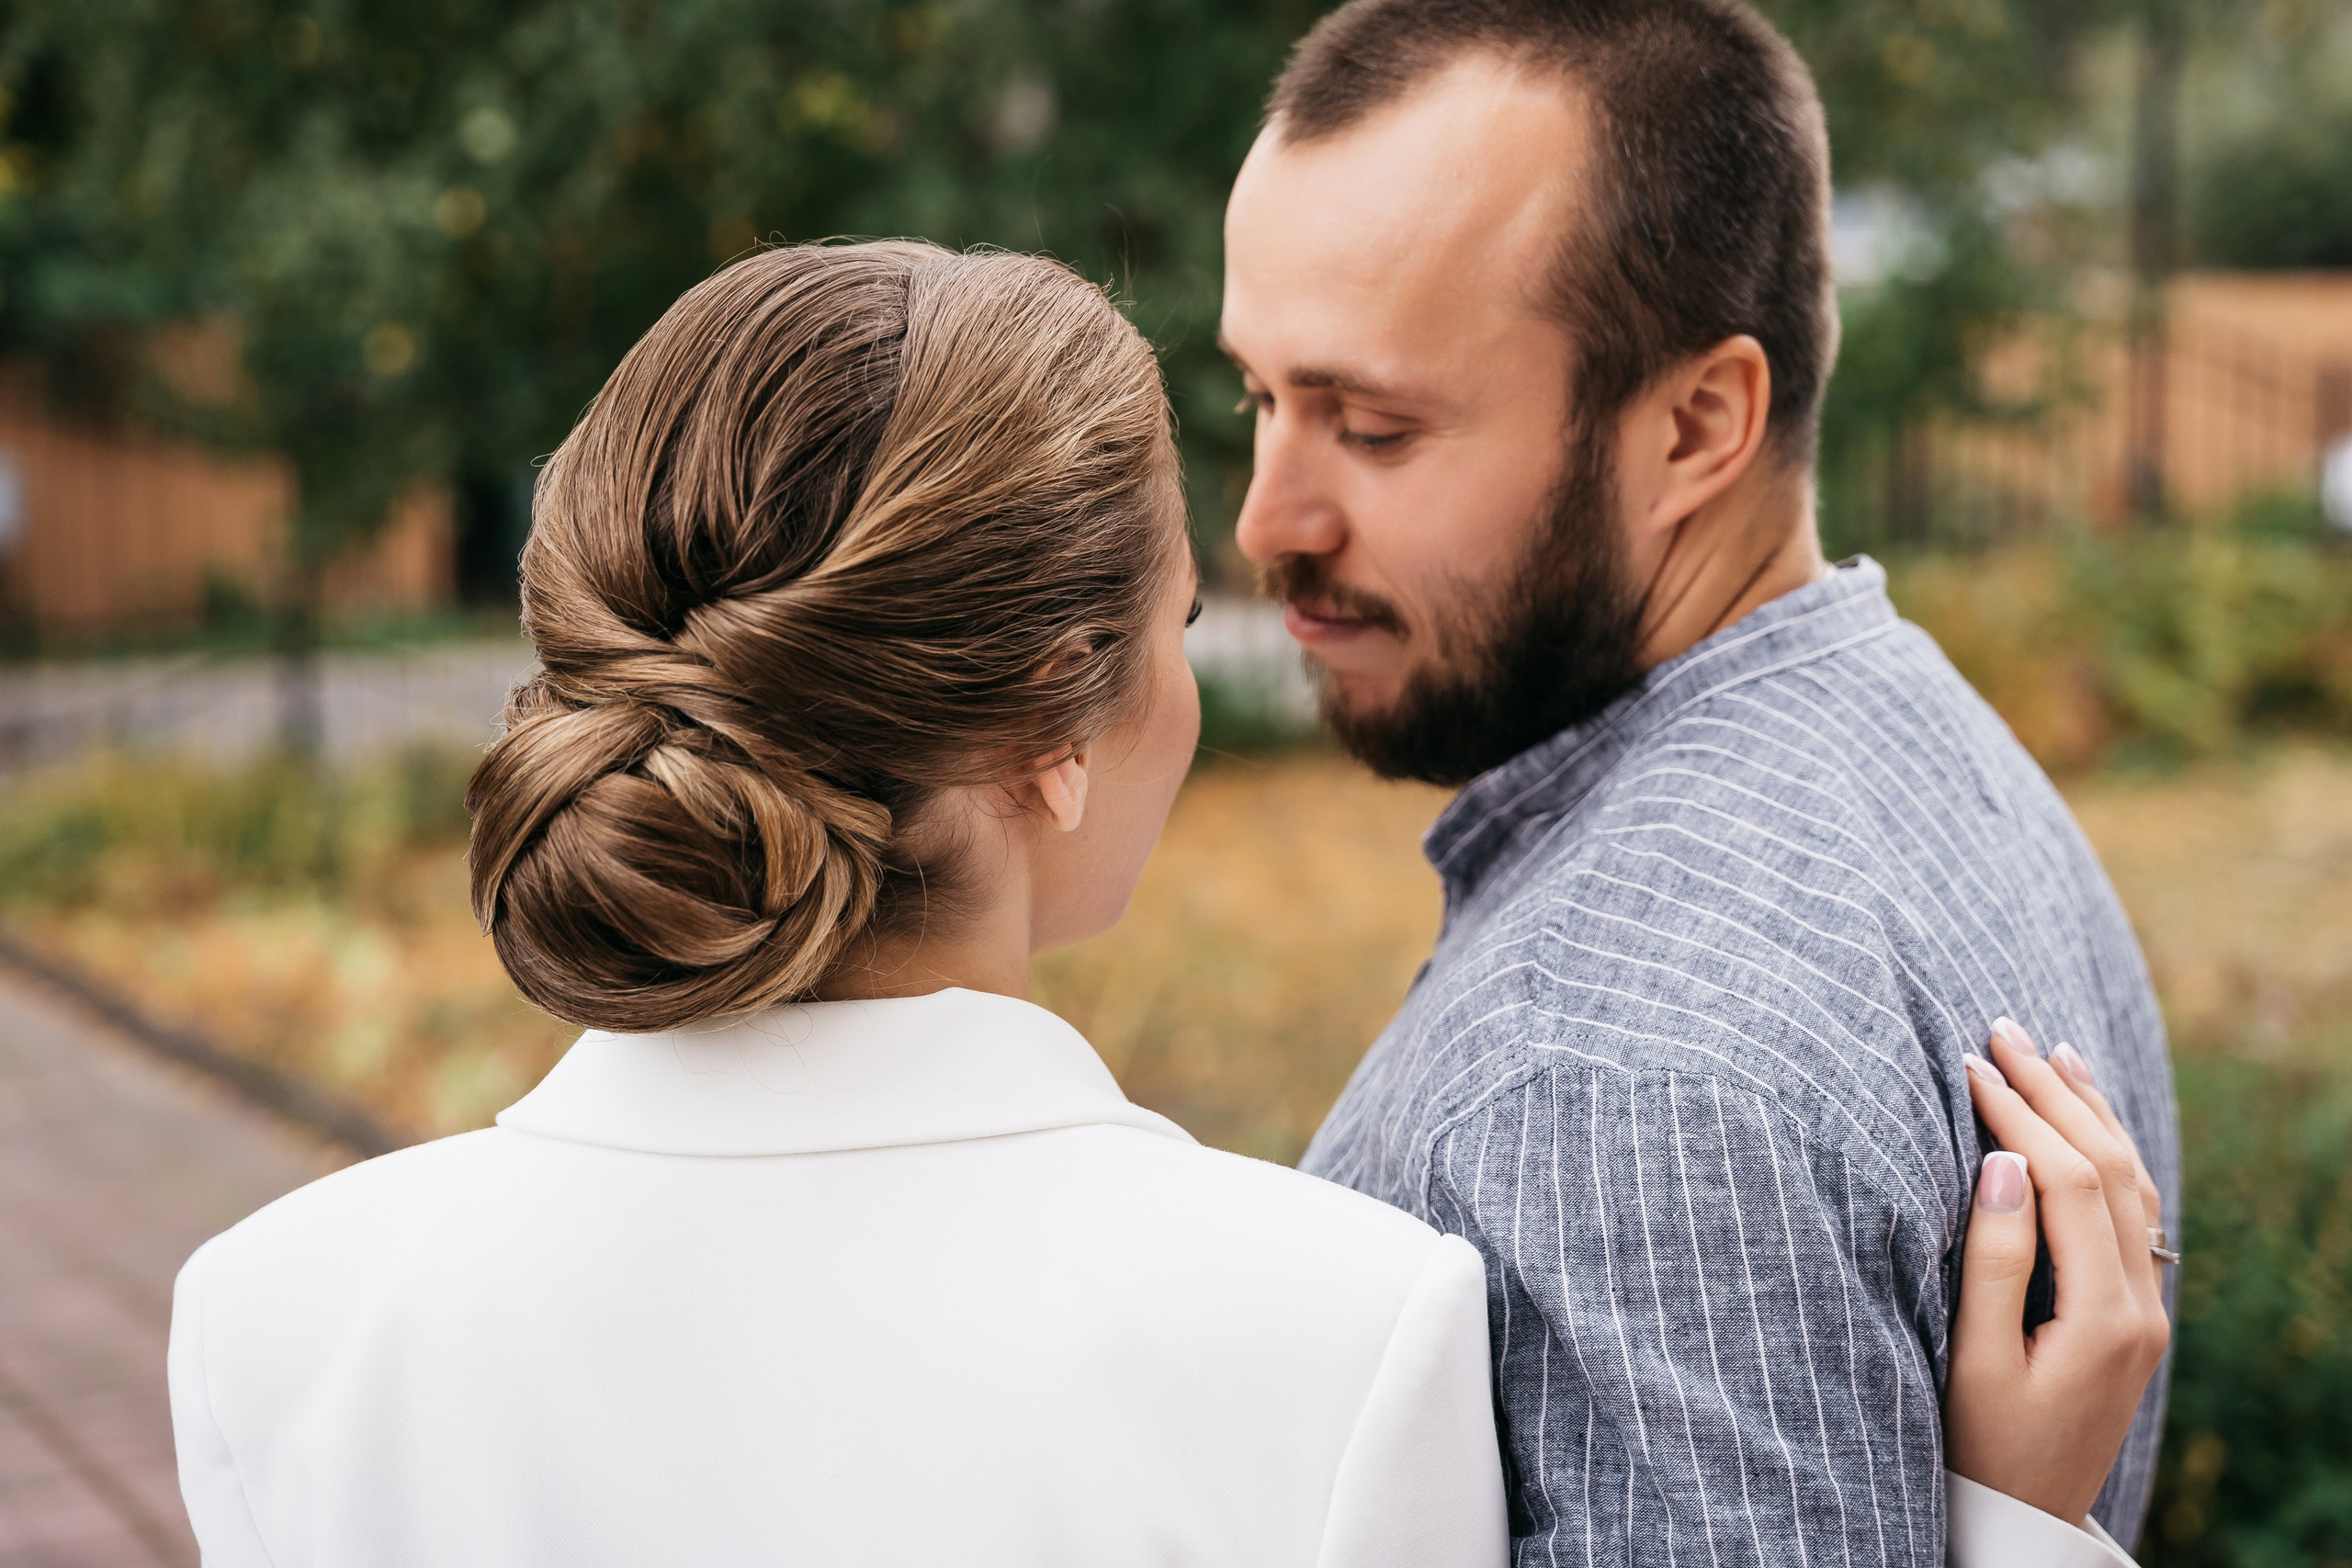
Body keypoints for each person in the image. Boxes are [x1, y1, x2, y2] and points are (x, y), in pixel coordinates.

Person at [169, 242, 2162, 1568]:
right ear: (1056, 723)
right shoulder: (1334, 1330)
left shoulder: (277, 1316)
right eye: (1172, 621)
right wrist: (2002, 1530)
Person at [1217, 1, 2183, 1562]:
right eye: (1260, 397)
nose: (1270, 521)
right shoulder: (1943, 752)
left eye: (1374, 427)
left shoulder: (1613, 1077)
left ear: (1696, 425)